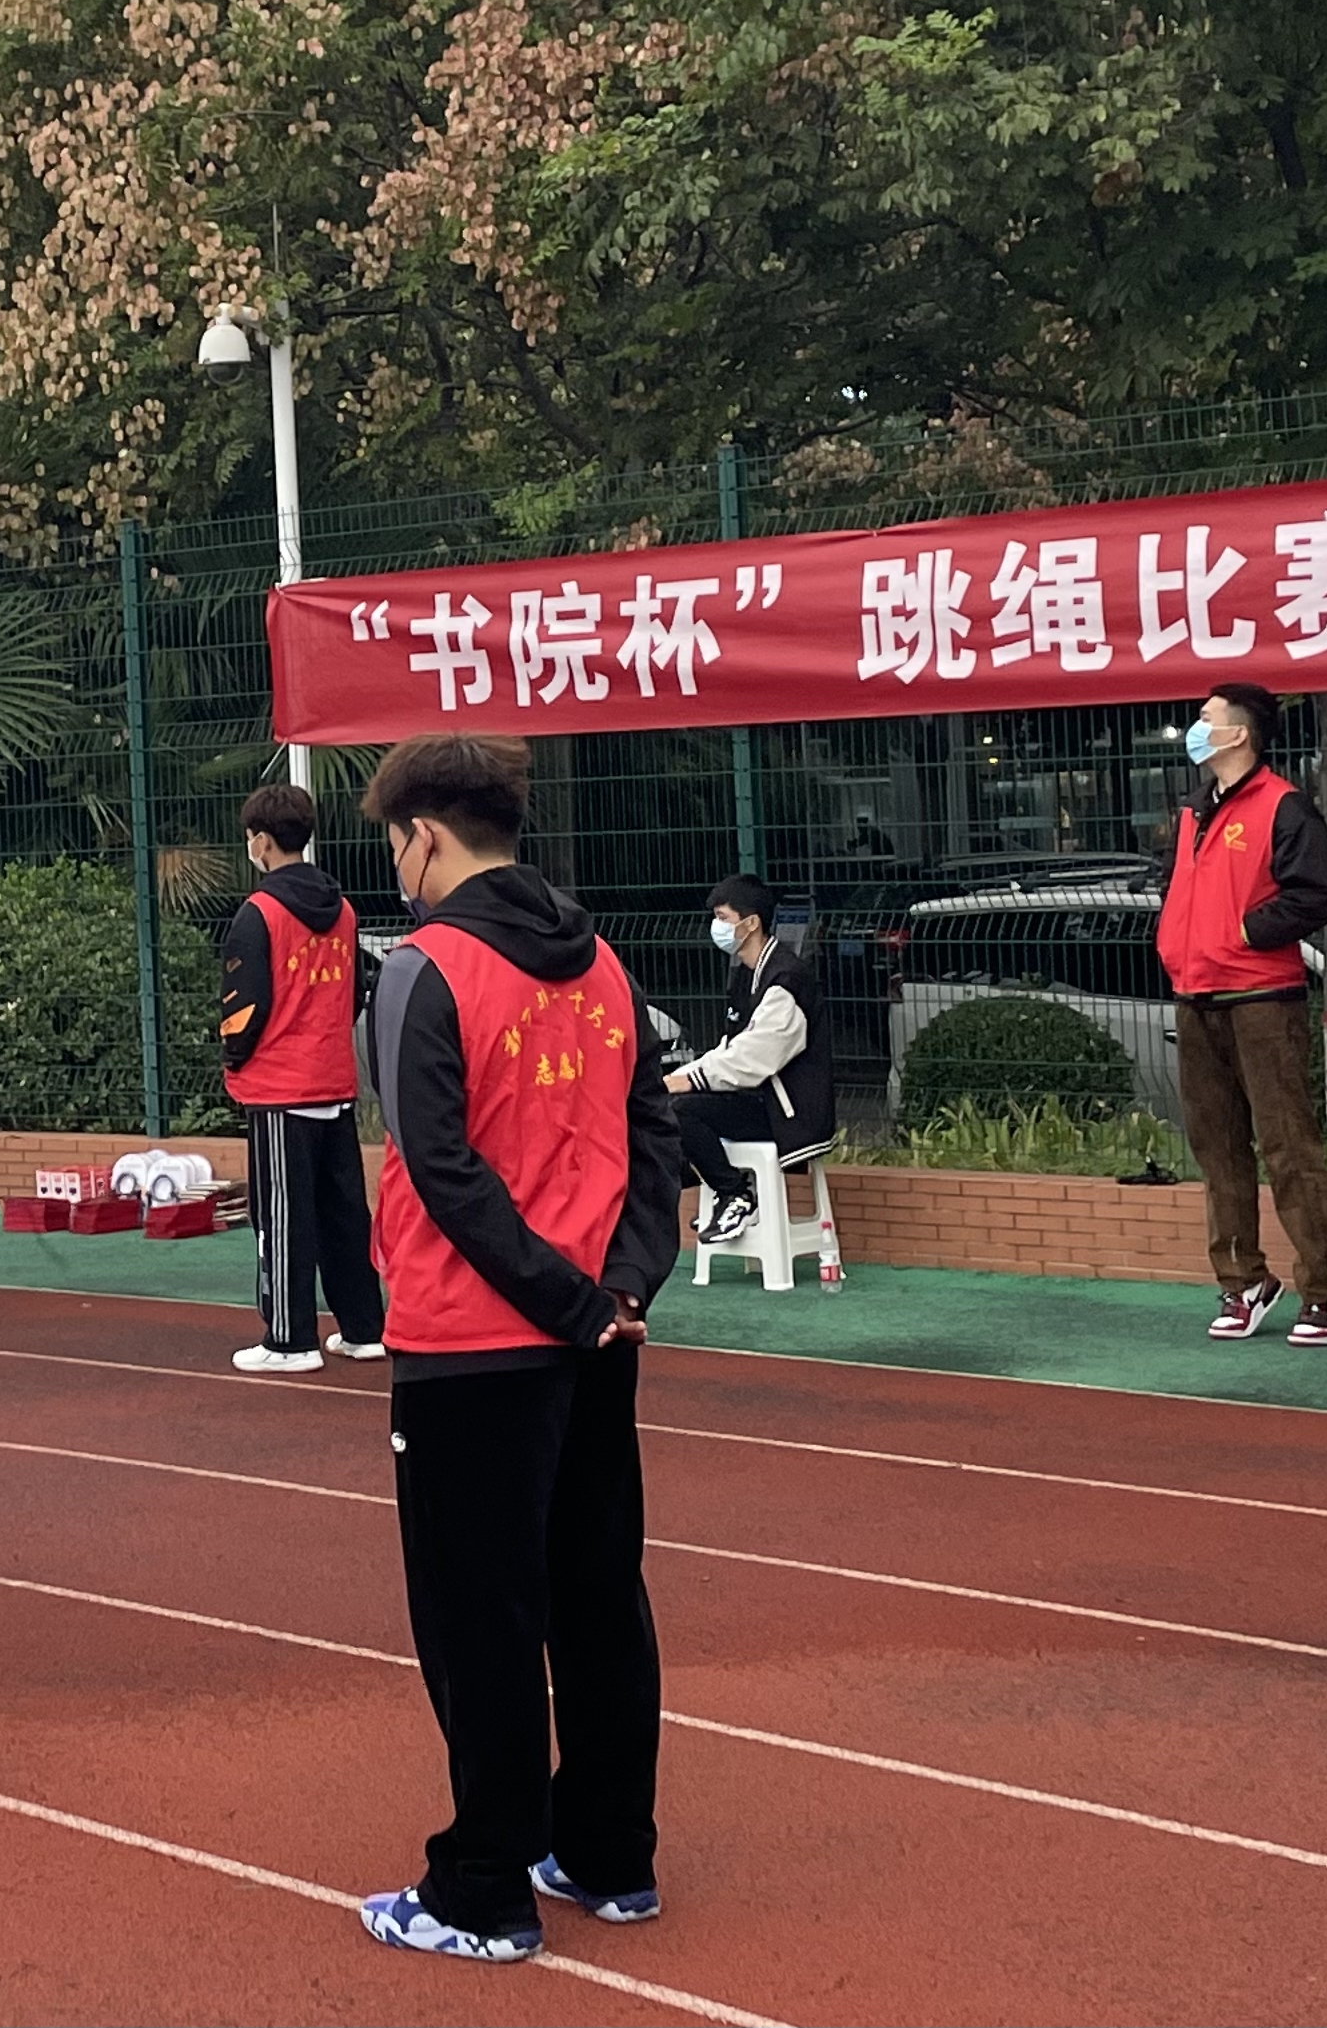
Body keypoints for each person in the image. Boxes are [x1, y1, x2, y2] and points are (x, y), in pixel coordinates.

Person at [351, 732, 683, 1968]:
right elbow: (654, 1135)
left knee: (476, 1618)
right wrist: (619, 1285)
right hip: (598, 1332)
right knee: (597, 1596)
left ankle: (481, 1885)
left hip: (473, 1341)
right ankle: (608, 1852)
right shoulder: (601, 960)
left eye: (393, 845)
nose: (395, 866)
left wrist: (563, 1297)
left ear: (423, 837)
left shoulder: (422, 968)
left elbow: (437, 1167)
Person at [1158, 681, 1327, 1345]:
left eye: (1205, 718)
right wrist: (1178, 942)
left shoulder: (1284, 806)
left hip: (1262, 997)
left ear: (1239, 733)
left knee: (1287, 1147)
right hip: (1195, 994)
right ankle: (1242, 1281)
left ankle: (1322, 1289)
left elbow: (1317, 892)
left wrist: (1244, 931)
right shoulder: (1193, 810)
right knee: (1217, 1150)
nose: (1194, 727)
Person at [216, 784, 385, 1374]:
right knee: (344, 1214)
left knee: (281, 1217)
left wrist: (234, 1058)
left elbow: (243, 1004)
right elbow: (357, 989)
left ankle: (289, 1339)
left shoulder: (257, 913)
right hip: (333, 1080)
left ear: (261, 841)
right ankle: (364, 1329)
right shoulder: (343, 910)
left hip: (279, 1088)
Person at [663, 873, 837, 1246]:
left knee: (682, 1111)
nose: (716, 927)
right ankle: (715, 1184)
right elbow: (730, 1046)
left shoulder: (786, 978)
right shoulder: (746, 975)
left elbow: (755, 1057)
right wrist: (677, 1077)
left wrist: (691, 1080)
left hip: (790, 1116)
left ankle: (736, 1194)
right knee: (661, 1105)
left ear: (751, 922)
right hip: (760, 1101)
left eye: (723, 918)